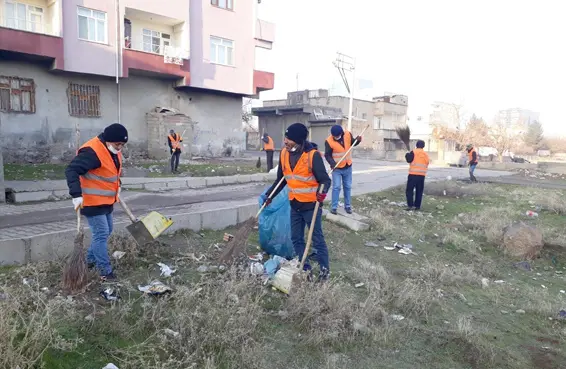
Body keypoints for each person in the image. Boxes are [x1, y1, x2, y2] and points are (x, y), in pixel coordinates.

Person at [262, 123, 332, 280]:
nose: (286, 141)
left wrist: (322, 194)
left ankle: (324, 272)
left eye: (290, 139)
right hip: (295, 204)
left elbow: (325, 181)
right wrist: (269, 196)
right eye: (285, 137)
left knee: (316, 239)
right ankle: (305, 268)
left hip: (310, 207)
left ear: (299, 141)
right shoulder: (284, 154)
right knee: (296, 238)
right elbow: (281, 180)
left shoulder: (312, 155)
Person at [65, 123, 128, 281]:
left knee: (107, 231)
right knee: (100, 234)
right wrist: (76, 194)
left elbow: (113, 171)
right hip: (91, 201)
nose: (120, 147)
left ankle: (89, 261)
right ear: (108, 140)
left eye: (122, 144)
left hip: (106, 200)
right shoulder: (92, 152)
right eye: (117, 144)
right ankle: (105, 271)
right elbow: (71, 169)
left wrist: (118, 185)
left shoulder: (114, 150)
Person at [324, 125, 361, 215]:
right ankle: (334, 207)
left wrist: (358, 140)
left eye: (337, 136)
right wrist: (332, 164)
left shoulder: (348, 134)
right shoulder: (329, 141)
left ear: (341, 133)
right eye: (334, 136)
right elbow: (327, 155)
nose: (336, 137)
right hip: (337, 168)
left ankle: (347, 206)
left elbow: (352, 143)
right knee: (336, 187)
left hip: (348, 166)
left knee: (347, 187)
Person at [405, 140, 430, 211]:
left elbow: (409, 160)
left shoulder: (414, 152)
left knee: (409, 190)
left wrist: (407, 155)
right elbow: (427, 163)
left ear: (416, 145)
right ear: (423, 146)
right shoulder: (425, 154)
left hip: (413, 175)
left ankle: (410, 205)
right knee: (419, 191)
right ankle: (417, 206)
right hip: (422, 176)